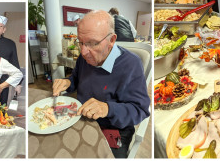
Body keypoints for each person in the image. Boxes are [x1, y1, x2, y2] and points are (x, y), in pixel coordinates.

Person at [52, 11, 150, 158]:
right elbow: (77, 79)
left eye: (92, 43)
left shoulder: (131, 64)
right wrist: (68, 82)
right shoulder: (84, 57)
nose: (84, 51)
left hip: (113, 129)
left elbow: (140, 110)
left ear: (112, 40)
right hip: (80, 119)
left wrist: (107, 108)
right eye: (81, 42)